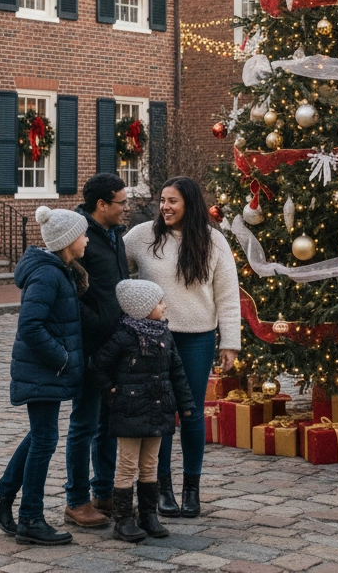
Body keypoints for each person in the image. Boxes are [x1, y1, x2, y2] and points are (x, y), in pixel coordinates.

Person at [124, 176, 241, 518]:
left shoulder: (213, 241)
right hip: (154, 338)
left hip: (198, 339)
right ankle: (162, 490)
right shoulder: (142, 236)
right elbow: (115, 270)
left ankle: (192, 489)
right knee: (160, 416)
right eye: (162, 200)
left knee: (191, 414)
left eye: (172, 201)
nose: (165, 206)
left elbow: (227, 296)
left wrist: (230, 342)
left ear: (189, 203)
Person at [0, 207, 87, 546]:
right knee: (44, 439)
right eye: (82, 234)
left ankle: (1, 498)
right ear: (68, 241)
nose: (86, 239)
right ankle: (30, 518)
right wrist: (62, 358)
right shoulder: (48, 275)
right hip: (43, 369)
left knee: (41, 436)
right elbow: (30, 325)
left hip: (47, 370)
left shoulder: (60, 269)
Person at [90, 279, 196, 542]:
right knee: (127, 465)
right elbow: (97, 365)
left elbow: (177, 372)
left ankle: (148, 516)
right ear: (141, 308)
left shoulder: (164, 334)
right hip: (130, 411)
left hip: (158, 410)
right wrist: (110, 391)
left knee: (150, 464)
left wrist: (186, 405)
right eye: (159, 302)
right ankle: (123, 520)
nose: (164, 306)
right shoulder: (124, 336)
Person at [63, 174, 129, 527]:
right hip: (90, 346)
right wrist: (98, 322)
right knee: (84, 424)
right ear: (101, 205)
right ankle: (76, 500)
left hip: (114, 345)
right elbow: (72, 292)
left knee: (108, 423)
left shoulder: (115, 234)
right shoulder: (79, 237)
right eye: (120, 202)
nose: (126, 207)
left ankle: (103, 491)